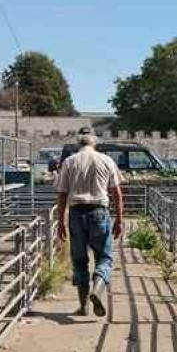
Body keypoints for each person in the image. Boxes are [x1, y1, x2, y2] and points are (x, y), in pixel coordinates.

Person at [54, 128, 124, 317]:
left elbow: (62, 195)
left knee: (79, 261)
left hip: (76, 213)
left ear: (79, 144)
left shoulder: (69, 162)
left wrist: (60, 221)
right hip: (98, 212)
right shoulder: (106, 160)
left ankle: (84, 306)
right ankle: (98, 289)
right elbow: (117, 194)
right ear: (95, 143)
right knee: (104, 257)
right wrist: (119, 220)